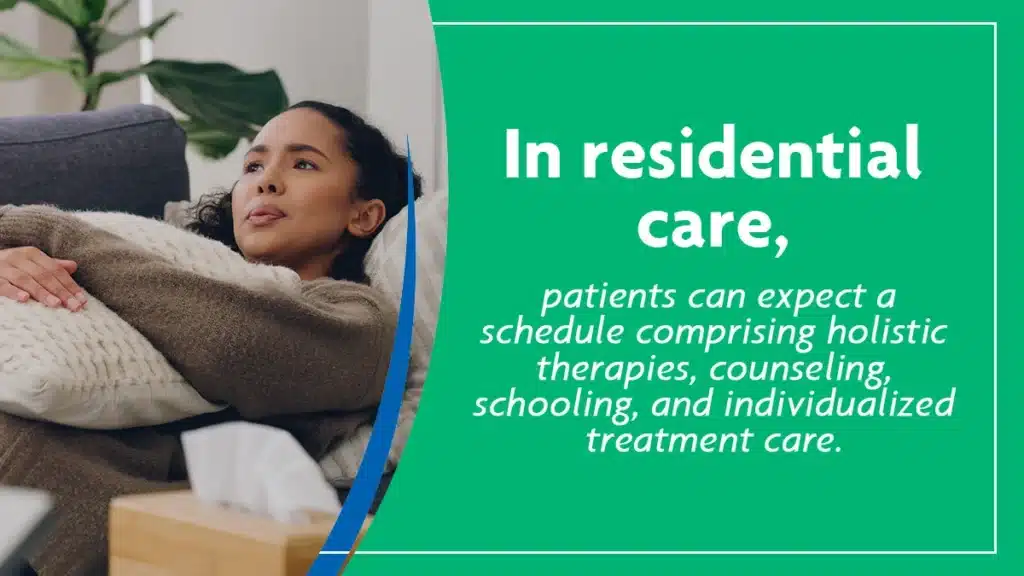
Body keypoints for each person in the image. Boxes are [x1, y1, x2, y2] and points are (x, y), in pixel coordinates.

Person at [0, 101, 421, 576]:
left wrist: (47, 233)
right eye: (253, 166)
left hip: (128, 530)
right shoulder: (166, 264)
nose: (267, 180)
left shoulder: (363, 322)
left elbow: (232, 345)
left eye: (303, 164)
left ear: (363, 216)